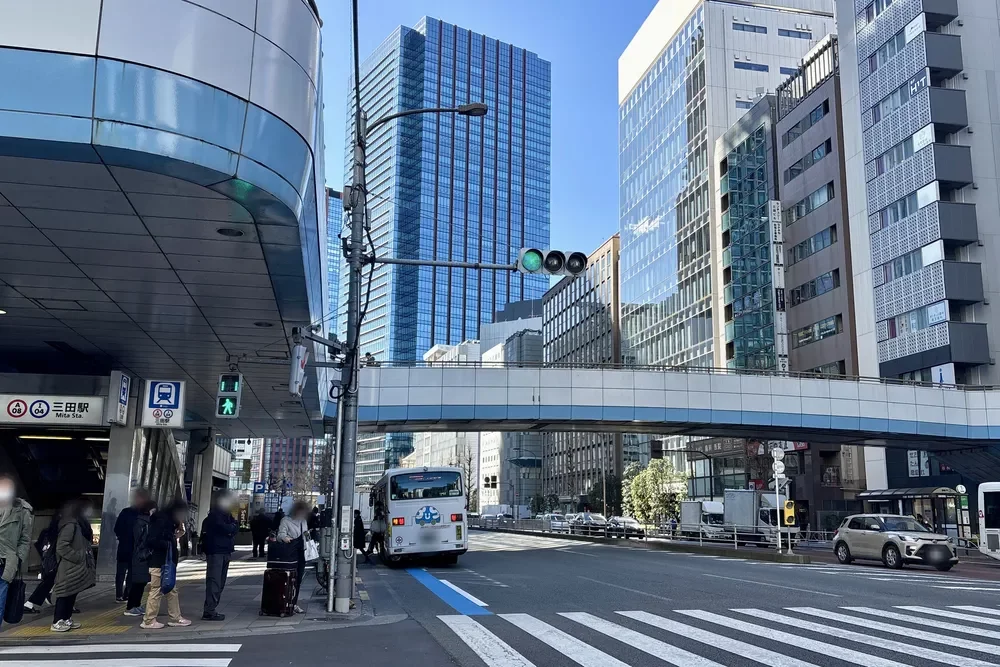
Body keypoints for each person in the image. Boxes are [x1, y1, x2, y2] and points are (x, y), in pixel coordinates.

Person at [141, 500, 191, 630]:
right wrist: (168, 542)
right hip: (159, 561)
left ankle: (175, 617)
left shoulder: (168, 521)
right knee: (156, 590)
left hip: (166, 562)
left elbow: (173, 537)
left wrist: (178, 531)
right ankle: (148, 620)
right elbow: (152, 540)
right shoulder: (162, 521)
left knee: (171, 590)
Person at [50, 498, 96, 633]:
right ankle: (57, 621)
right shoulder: (70, 525)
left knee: (72, 592)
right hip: (68, 566)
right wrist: (77, 557)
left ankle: (66, 618)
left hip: (74, 566)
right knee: (64, 593)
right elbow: (61, 546)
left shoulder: (77, 524)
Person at [0, 474, 32, 631]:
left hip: (6, 562)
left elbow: (25, 539)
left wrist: (18, 558)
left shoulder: (22, 510)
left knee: (0, 600)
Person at [201, 492, 238, 621]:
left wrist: (231, 528)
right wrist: (231, 528)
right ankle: (209, 610)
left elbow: (234, 527)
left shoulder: (226, 515)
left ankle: (211, 608)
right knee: (214, 581)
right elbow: (227, 529)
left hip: (225, 551)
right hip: (216, 551)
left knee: (220, 582)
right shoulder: (215, 515)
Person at [113, 488, 149, 603]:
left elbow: (117, 529)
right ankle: (125, 594)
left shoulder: (125, 512)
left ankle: (121, 595)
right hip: (134, 548)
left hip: (125, 547)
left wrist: (122, 538)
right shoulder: (143, 515)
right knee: (129, 573)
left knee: (122, 573)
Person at [23, 511, 60, 614]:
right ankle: (30, 603)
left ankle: (46, 594)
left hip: (46, 561)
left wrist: (44, 556)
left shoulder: (45, 532)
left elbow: (38, 545)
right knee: (48, 582)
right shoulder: (59, 533)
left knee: (48, 582)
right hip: (54, 562)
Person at [123, 500, 155, 617]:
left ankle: (136, 605)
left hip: (141, 555)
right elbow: (140, 540)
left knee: (141, 582)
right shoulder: (142, 523)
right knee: (138, 582)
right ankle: (131, 607)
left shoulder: (144, 522)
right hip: (141, 556)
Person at [277, 502, 310, 614]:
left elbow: (306, 535)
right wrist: (285, 538)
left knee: (298, 580)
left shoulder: (303, 521)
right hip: (290, 554)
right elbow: (280, 534)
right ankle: (285, 602)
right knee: (289, 579)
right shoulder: (285, 520)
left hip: (301, 553)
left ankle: (294, 603)